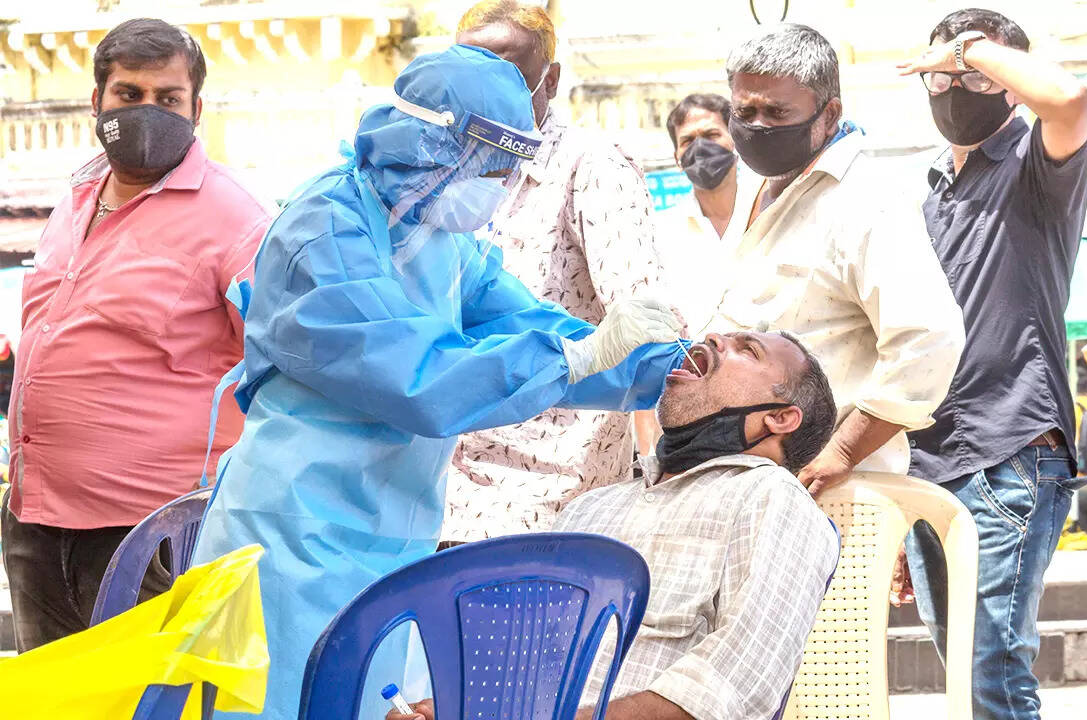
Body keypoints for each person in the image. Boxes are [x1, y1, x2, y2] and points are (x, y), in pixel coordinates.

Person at [190, 45, 687, 720]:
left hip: (397, 532)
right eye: (492, 167)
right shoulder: (324, 229)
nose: (501, 187)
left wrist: (661, 367)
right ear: (432, 147)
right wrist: (579, 356)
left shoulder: (440, 241)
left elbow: (530, 325)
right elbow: (414, 376)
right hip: (293, 530)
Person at [389, 330, 840, 720]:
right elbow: (525, 668)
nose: (714, 338)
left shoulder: (775, 499)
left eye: (748, 350)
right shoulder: (589, 509)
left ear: (780, 417)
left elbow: (737, 682)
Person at [0, 19, 269, 652]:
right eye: (129, 94)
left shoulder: (237, 219)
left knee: (147, 696)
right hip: (35, 521)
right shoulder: (75, 199)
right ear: (97, 101)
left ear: (196, 109)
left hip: (148, 537)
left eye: (168, 98)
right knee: (54, 695)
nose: (148, 111)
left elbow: (280, 364)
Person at [892, 9, 1087, 718]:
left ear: (1010, 81)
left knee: (993, 679)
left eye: (975, 72)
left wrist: (968, 50)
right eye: (943, 73)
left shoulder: (1035, 164)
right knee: (965, 677)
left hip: (1009, 453)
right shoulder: (928, 194)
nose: (956, 85)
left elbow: (1068, 100)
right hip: (929, 461)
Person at [442, 0, 674, 542]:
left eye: (508, 77)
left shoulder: (592, 165)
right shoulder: (447, 167)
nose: (487, 94)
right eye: (471, 75)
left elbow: (648, 322)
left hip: (546, 491)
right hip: (440, 486)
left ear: (550, 80)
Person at [714, 24, 965, 488]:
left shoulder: (867, 199)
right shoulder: (755, 186)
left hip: (825, 487)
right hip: (744, 480)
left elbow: (930, 340)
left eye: (777, 112)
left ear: (829, 115)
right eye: (744, 111)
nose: (757, 126)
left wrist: (843, 450)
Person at [656, 93, 755, 336]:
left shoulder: (766, 212)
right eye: (688, 140)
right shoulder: (661, 233)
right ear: (677, 159)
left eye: (711, 135)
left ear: (736, 142)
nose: (700, 148)